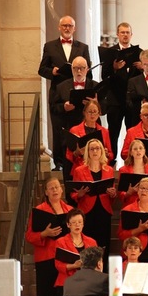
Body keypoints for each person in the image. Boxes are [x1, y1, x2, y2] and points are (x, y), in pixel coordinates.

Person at [25, 177, 74, 296]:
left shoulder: (70, 210)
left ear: (62, 190)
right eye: (50, 188)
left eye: (57, 187)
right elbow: (29, 236)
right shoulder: (39, 210)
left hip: (65, 259)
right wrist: (45, 234)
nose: (54, 190)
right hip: (46, 260)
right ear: (46, 192)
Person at [38, 15, 91, 170]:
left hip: (78, 90)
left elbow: (89, 69)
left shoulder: (83, 47)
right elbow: (42, 69)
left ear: (74, 28)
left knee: (80, 126)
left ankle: (83, 160)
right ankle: (59, 162)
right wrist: (52, 71)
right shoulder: (49, 46)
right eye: (64, 25)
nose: (67, 28)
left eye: (70, 26)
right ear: (59, 28)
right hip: (58, 92)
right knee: (59, 128)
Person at [53, 56, 100, 179]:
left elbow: (104, 109)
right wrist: (64, 106)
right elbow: (54, 107)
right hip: (70, 129)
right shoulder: (61, 87)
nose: (79, 71)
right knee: (69, 169)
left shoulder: (96, 86)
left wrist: (96, 103)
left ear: (87, 69)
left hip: (91, 130)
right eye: (76, 68)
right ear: (72, 69)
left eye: (82, 68)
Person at [101, 22, 144, 155]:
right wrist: (114, 68)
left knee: (132, 132)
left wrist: (143, 68)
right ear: (118, 34)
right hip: (115, 99)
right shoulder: (110, 53)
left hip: (133, 100)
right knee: (113, 131)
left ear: (131, 35)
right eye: (122, 32)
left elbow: (146, 77)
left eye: (127, 32)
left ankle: (132, 158)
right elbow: (104, 76)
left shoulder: (140, 53)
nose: (125, 35)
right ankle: (111, 159)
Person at [70, 139, 117, 256]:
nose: (95, 151)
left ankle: (104, 272)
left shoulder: (109, 170)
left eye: (97, 148)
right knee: (88, 244)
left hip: (104, 210)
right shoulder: (79, 171)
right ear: (87, 152)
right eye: (92, 149)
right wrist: (79, 194)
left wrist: (112, 193)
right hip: (87, 211)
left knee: (103, 244)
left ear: (102, 151)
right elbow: (73, 193)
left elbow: (113, 195)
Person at [65, 100, 113, 179]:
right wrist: (77, 152)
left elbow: (111, 154)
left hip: (99, 169)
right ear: (84, 112)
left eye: (95, 112)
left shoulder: (104, 131)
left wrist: (106, 153)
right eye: (89, 112)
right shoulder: (75, 130)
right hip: (81, 169)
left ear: (99, 114)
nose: (92, 114)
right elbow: (68, 155)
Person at [54, 209, 98, 288]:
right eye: (74, 222)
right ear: (68, 225)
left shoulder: (92, 242)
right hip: (67, 283)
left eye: (80, 222)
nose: (77, 225)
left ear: (83, 224)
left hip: (87, 283)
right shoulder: (61, 242)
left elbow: (97, 263)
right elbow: (58, 265)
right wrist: (74, 266)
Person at [118, 139, 148, 207]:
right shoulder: (123, 170)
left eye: (140, 148)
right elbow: (120, 193)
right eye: (135, 149)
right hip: (130, 204)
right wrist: (129, 193)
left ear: (144, 151)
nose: (138, 151)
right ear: (131, 153)